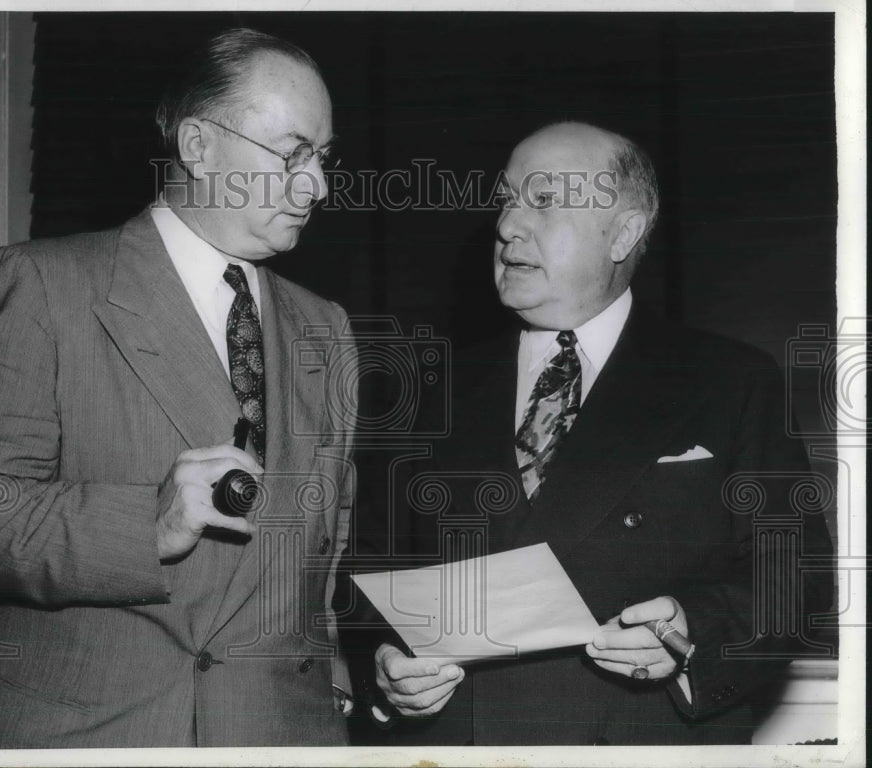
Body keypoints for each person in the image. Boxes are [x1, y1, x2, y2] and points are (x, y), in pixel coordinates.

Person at [0, 28, 357, 748]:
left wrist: (336, 698)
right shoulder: (44, 286)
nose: (318, 185)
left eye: (323, 159)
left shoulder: (327, 329)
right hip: (93, 736)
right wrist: (143, 525)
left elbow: (318, 566)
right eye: (293, 153)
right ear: (199, 146)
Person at [340, 121, 834, 745]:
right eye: (506, 200)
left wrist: (694, 630)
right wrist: (384, 666)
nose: (507, 225)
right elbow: (364, 572)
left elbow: (799, 578)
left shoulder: (733, 380)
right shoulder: (423, 388)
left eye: (543, 200)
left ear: (623, 232)